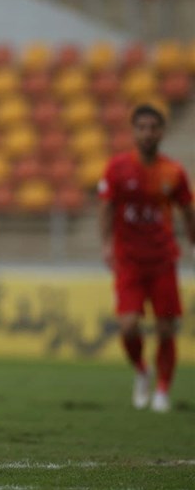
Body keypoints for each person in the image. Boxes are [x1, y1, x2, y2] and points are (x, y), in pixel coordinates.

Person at [98, 103, 194, 414]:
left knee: (166, 329)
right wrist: (106, 244)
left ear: (162, 132)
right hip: (129, 260)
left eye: (153, 128)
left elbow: (187, 208)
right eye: (142, 127)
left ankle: (163, 390)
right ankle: (142, 370)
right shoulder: (118, 168)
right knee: (128, 326)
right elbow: (107, 207)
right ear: (134, 131)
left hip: (163, 259)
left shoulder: (173, 172)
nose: (148, 133)